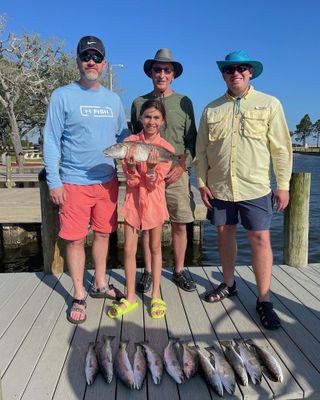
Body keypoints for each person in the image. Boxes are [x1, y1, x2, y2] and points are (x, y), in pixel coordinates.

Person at [196, 50, 292, 330]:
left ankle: (264, 299)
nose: (235, 72)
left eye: (242, 68)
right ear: (223, 74)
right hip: (220, 189)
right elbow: (200, 151)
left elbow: (281, 149)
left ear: (250, 72)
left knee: (260, 240)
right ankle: (229, 284)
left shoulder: (270, 104)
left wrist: (283, 186)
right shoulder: (211, 109)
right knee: (225, 235)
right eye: (229, 69)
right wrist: (201, 183)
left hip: (256, 187)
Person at [43, 35, 128, 324]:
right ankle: (79, 293)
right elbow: (52, 140)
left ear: (104, 63)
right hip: (73, 182)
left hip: (107, 182)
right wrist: (54, 181)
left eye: (96, 57)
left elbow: (123, 138)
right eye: (86, 57)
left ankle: (100, 284)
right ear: (78, 61)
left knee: (103, 234)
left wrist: (143, 150)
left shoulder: (114, 100)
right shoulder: (62, 95)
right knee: (76, 239)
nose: (91, 62)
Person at [131, 49, 197, 293]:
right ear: (151, 73)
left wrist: (182, 166)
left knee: (180, 223)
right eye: (157, 69)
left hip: (175, 174)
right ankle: (148, 271)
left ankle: (179, 270)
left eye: (166, 70)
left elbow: (193, 142)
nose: (161, 74)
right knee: (148, 225)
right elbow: (134, 139)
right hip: (147, 176)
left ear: (173, 75)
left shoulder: (184, 102)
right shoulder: (139, 102)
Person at [108, 99, 174, 319]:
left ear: (162, 121)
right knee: (128, 249)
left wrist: (153, 169)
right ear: (140, 118)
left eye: (156, 117)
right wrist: (129, 166)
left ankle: (156, 294)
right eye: (147, 116)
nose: (151, 121)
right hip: (133, 203)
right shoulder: (130, 142)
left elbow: (155, 182)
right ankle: (131, 296)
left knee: (155, 248)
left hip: (154, 202)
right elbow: (133, 183)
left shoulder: (167, 149)